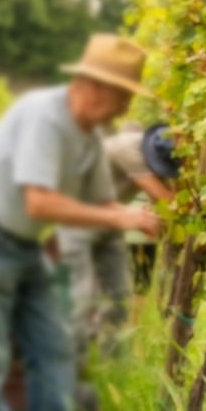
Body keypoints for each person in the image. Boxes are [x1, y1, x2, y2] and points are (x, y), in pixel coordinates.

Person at [0, 34, 159, 411]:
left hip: (21, 244)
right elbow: (41, 203)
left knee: (55, 346)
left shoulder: (86, 136)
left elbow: (101, 196)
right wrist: (118, 216)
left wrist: (135, 213)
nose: (124, 111)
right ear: (96, 87)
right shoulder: (45, 117)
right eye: (123, 98)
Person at [58, 122, 179, 355]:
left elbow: (162, 202)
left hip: (108, 224)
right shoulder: (129, 150)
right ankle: (68, 361)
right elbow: (164, 197)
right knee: (81, 296)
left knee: (118, 298)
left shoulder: (144, 152)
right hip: (79, 223)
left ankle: (110, 361)